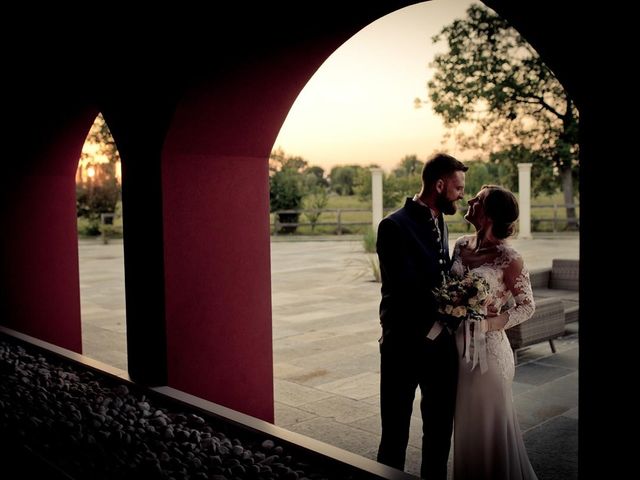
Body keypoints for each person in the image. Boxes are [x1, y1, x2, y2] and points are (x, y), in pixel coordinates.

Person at [376, 153, 467, 479]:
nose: (461, 195)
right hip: (403, 346)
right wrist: (450, 308)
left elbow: (439, 275)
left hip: (441, 349)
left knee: (440, 432)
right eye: (457, 188)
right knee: (395, 435)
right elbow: (404, 290)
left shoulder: (439, 219)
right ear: (439, 185)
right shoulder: (393, 225)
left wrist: (457, 311)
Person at [450, 185, 538, 480]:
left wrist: (488, 324)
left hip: (489, 355)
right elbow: (452, 289)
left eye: (479, 199)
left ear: (488, 214)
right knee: (467, 427)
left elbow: (527, 307)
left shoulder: (509, 257)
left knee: (489, 427)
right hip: (458, 350)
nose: (471, 200)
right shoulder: (461, 245)